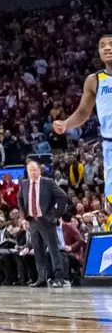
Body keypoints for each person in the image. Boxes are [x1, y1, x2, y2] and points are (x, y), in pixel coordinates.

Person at [53, 35, 112, 205]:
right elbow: (83, 112)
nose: (107, 48)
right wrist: (66, 124)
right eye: (102, 46)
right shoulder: (94, 80)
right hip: (109, 144)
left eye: (111, 44)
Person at [18, 160, 69, 288]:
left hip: (46, 220)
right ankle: (42, 278)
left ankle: (59, 278)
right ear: (27, 172)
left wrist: (55, 215)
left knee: (53, 250)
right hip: (33, 221)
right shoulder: (24, 184)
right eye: (30, 171)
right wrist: (23, 217)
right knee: (38, 251)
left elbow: (63, 197)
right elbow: (20, 199)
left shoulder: (48, 182)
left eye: (35, 170)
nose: (33, 173)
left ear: (39, 170)